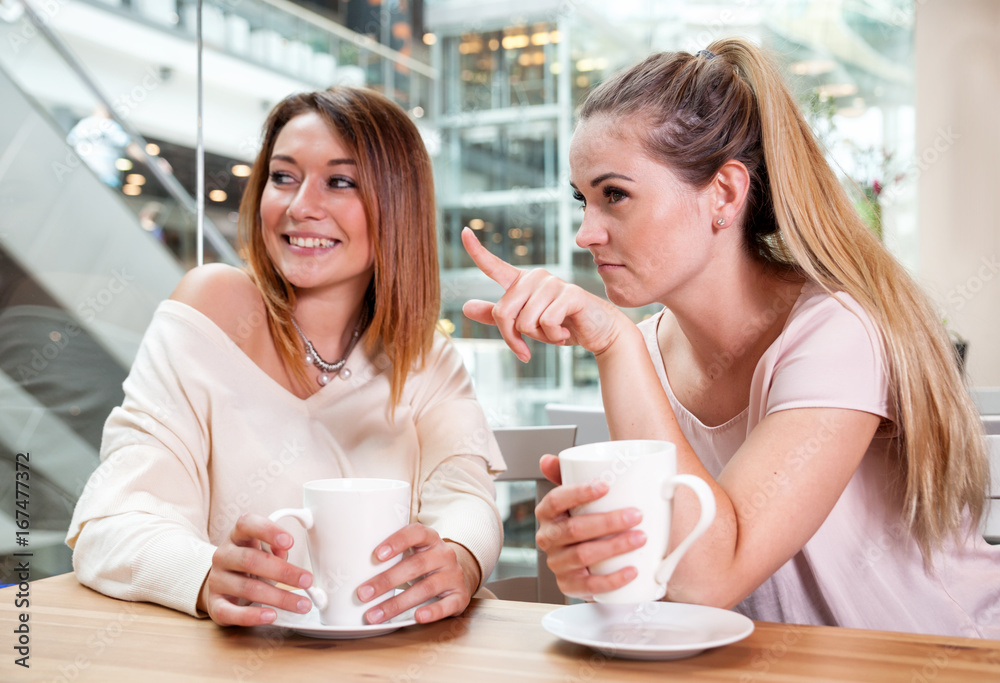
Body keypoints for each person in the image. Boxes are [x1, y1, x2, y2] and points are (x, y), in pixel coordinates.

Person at [462, 38, 1000, 638]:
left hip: (943, 660)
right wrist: (600, 559)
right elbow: (678, 576)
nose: (587, 233)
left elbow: (712, 574)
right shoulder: (649, 350)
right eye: (583, 200)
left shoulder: (837, 332)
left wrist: (615, 344)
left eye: (615, 195)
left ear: (724, 193)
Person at [67, 87, 505, 628]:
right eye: (283, 177)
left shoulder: (424, 356)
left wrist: (458, 559)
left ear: (398, 205)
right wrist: (206, 576)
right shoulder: (213, 306)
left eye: (339, 182)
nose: (300, 207)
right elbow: (112, 519)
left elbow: (466, 497)